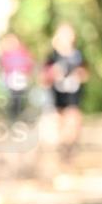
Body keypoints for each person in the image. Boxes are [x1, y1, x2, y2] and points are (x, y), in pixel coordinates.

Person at [42, 23, 88, 163]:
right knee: (58, 126)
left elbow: (85, 74)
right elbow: (44, 78)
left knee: (73, 123)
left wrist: (78, 75)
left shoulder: (78, 55)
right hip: (56, 97)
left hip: (73, 96)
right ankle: (61, 153)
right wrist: (54, 74)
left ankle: (70, 151)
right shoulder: (52, 56)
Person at [0, 32, 34, 120]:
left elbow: (29, 64)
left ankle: (19, 115)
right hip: (11, 80)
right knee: (13, 99)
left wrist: (26, 73)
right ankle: (13, 116)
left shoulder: (22, 52)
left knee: (20, 98)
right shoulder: (6, 54)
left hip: (21, 79)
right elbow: (4, 66)